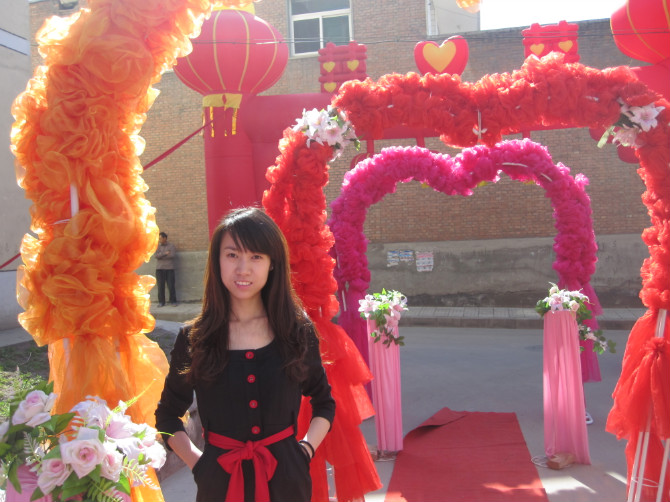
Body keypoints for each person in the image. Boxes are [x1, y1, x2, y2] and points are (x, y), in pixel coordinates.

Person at [155, 207, 335, 502]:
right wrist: (199, 464)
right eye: (232, 255)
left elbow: (324, 402)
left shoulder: (295, 331)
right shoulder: (195, 338)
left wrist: (304, 450)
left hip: (288, 484)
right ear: (217, 261)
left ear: (272, 263)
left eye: (256, 257)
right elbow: (167, 415)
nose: (243, 269)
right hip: (219, 487)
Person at [155, 231, 177, 306]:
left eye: (160, 238)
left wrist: (161, 255)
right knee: (160, 286)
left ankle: (173, 301)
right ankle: (161, 302)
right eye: (159, 238)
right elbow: (156, 256)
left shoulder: (171, 246)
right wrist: (165, 253)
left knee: (171, 286)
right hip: (160, 269)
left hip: (169, 268)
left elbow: (172, 255)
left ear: (165, 238)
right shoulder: (157, 246)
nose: (159, 240)